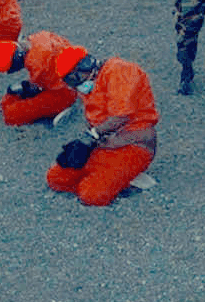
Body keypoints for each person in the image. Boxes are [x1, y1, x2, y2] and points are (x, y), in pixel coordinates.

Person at [46, 46, 159, 207]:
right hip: (103, 143)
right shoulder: (89, 82)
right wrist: (85, 142)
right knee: (55, 178)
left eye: (72, 79)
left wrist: (92, 135)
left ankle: (121, 177)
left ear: (83, 67)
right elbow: (95, 120)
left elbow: (121, 116)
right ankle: (117, 178)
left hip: (133, 143)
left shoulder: (120, 71)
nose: (73, 86)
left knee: (92, 196)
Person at [0, 33, 78, 126]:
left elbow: (41, 87)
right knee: (18, 94)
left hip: (65, 91)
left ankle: (62, 107)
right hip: (72, 75)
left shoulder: (36, 62)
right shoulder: (36, 38)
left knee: (11, 115)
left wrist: (29, 89)